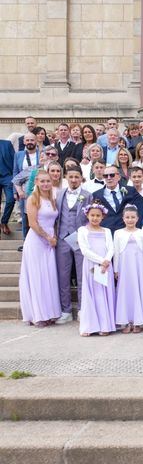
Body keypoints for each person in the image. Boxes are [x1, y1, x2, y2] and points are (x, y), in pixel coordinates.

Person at [18, 170, 61, 327]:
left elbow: (54, 222)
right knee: (37, 277)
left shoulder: (52, 199)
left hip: (50, 241)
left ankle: (49, 312)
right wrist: (47, 237)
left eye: (48, 181)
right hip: (37, 241)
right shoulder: (32, 199)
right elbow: (32, 223)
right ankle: (37, 314)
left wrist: (54, 236)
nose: (45, 184)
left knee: (48, 277)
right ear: (36, 182)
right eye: (42, 181)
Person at [54, 166, 92, 323]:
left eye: (77, 177)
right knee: (63, 276)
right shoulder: (59, 194)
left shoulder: (87, 196)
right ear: (66, 178)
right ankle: (66, 310)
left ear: (81, 178)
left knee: (82, 275)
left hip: (80, 239)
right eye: (71, 177)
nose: (74, 180)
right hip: (62, 238)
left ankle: (83, 309)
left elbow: (91, 218)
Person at [77, 201, 116, 336]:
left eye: (98, 216)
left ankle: (105, 325)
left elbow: (111, 247)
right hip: (92, 265)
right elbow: (84, 250)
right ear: (87, 215)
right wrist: (101, 261)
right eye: (92, 215)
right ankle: (89, 326)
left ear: (102, 217)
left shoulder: (107, 231)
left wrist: (107, 260)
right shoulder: (83, 230)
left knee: (103, 293)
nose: (95, 218)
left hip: (106, 266)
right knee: (92, 293)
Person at [113, 204, 143, 334]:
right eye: (127, 217)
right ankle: (126, 321)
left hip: (138, 266)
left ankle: (138, 322)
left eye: (132, 217)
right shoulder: (118, 233)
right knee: (125, 291)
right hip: (125, 265)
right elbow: (116, 252)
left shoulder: (142, 233)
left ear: (137, 218)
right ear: (123, 218)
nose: (130, 220)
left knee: (137, 291)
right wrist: (116, 269)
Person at [93, 165, 143, 233]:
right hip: (106, 233)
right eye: (106, 176)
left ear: (119, 177)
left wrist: (135, 228)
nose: (109, 178)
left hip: (127, 232)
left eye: (112, 175)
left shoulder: (130, 191)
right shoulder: (96, 195)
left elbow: (141, 208)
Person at [0, 139, 15, 236]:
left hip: (7, 176)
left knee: (10, 199)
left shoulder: (7, 143)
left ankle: (4, 221)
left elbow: (14, 160)